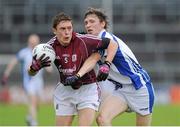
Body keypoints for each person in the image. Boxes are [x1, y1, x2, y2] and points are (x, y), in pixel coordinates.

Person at [28, 12, 118, 126]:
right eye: (62, 29)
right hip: (65, 91)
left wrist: (107, 64)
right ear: (54, 31)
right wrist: (33, 69)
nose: (67, 32)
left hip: (87, 89)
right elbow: (30, 73)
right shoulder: (49, 47)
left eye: (69, 28)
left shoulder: (84, 40)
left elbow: (113, 44)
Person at [73, 7, 155, 126]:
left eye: (92, 21)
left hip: (139, 87)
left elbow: (101, 53)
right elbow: (93, 58)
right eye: (86, 22)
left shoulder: (106, 37)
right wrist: (78, 75)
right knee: (102, 119)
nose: (88, 25)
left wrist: (106, 64)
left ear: (102, 23)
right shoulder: (95, 42)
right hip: (122, 89)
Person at [1, 34, 53, 126]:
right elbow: (13, 62)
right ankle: (34, 123)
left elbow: (49, 68)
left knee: (37, 104)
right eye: (32, 40)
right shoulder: (24, 52)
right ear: (29, 41)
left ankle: (29, 117)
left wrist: (49, 70)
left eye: (35, 40)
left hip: (39, 81)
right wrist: (6, 74)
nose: (34, 42)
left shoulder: (40, 52)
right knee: (32, 101)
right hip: (29, 81)